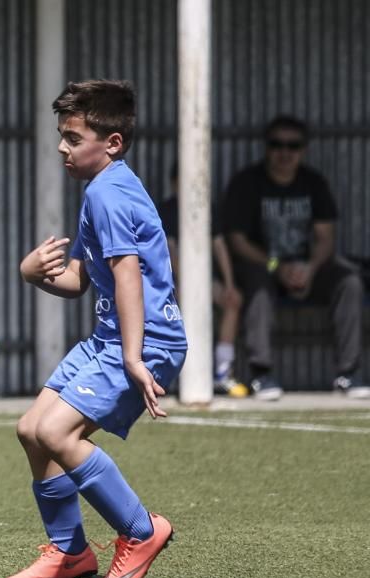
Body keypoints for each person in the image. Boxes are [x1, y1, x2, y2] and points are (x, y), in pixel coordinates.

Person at [8, 80, 186, 578]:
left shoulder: (108, 194)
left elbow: (127, 274)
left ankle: (141, 532)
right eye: (61, 136)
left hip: (143, 341)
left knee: (58, 434)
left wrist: (133, 357)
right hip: (112, 338)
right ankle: (69, 552)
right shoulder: (103, 189)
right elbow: (82, 279)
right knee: (31, 428)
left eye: (72, 137)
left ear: (111, 142)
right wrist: (32, 272)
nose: (62, 148)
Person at [223, 115, 369, 400]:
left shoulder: (313, 183)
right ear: (267, 148)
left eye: (293, 145)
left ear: (303, 149)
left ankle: (348, 373)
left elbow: (326, 238)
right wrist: (278, 268)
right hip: (266, 267)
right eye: (277, 144)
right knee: (258, 284)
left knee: (349, 280)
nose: (285, 152)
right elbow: (237, 241)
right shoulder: (247, 183)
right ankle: (261, 374)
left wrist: (310, 269)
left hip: (306, 269)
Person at [157, 163, 248, 397]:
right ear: (175, 183)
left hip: (202, 279)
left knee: (232, 301)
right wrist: (184, 285)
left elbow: (219, 246)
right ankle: (166, 375)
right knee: (170, 316)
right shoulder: (167, 210)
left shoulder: (207, 209)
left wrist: (229, 284)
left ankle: (222, 371)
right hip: (169, 281)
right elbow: (171, 251)